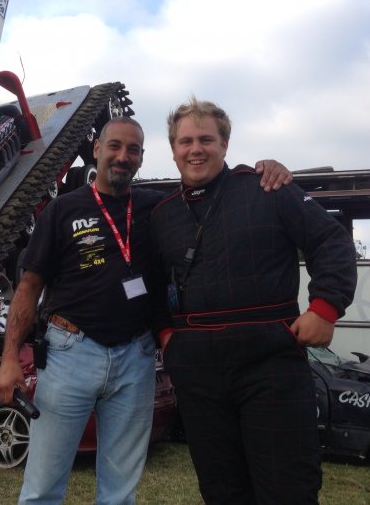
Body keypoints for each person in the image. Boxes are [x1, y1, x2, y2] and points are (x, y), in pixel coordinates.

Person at [0, 116, 292, 504]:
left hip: (136, 358)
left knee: (120, 492)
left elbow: (214, 190)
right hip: (71, 352)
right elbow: (28, 287)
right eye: (114, 146)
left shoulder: (159, 206)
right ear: (97, 150)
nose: (122, 156)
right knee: (43, 487)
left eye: (132, 150)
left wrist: (263, 170)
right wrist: (9, 359)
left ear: (142, 158)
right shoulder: (63, 210)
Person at [151, 98, 357, 505]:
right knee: (222, 490)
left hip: (270, 367)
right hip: (199, 375)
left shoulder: (268, 188)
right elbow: (155, 284)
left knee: (288, 489)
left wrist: (325, 308)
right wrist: (167, 336)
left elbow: (330, 241)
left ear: (225, 144)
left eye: (206, 139)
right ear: (173, 150)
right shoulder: (161, 214)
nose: (196, 149)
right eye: (186, 141)